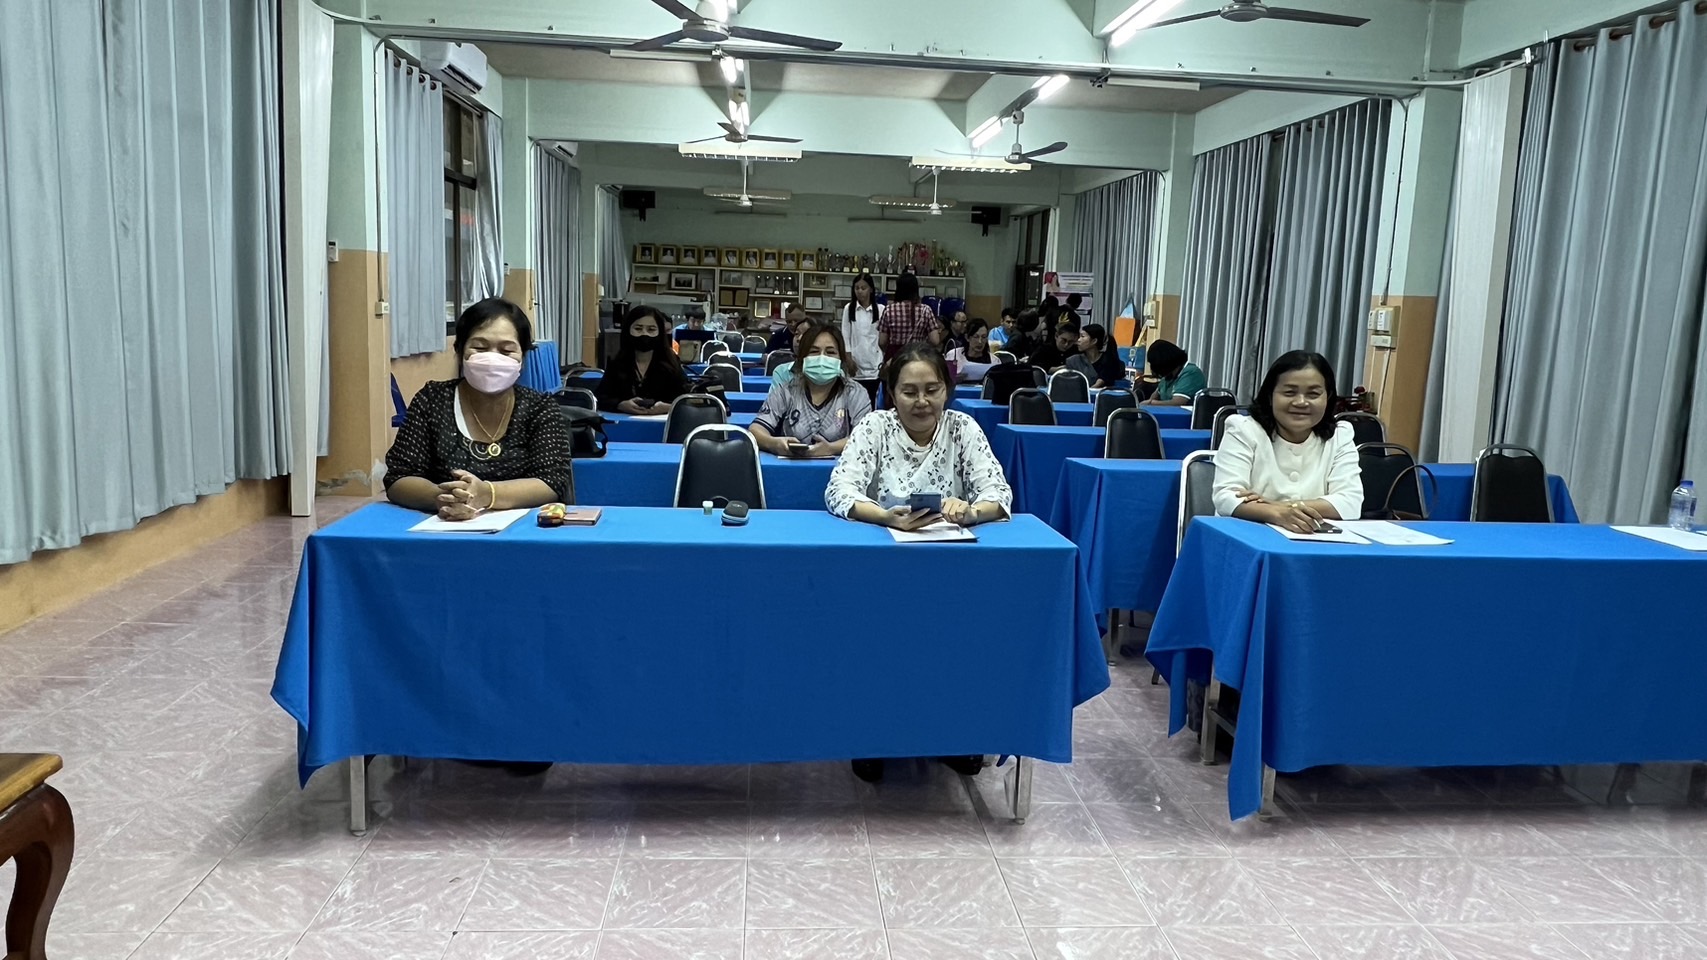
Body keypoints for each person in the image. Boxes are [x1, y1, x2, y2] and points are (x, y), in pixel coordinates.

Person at [826, 342, 1011, 784]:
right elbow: (839, 491)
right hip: (883, 568)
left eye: (932, 390)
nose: (922, 401)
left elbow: (998, 493)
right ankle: (873, 737)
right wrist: (885, 516)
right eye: (909, 392)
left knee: (957, 647)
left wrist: (971, 511)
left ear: (947, 390)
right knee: (880, 647)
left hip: (952, 569)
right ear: (891, 393)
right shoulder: (874, 427)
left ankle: (953, 735)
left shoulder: (963, 428)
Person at [385, 297, 574, 518]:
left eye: (506, 351)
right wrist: (443, 497)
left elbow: (553, 480)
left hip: (524, 530)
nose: (492, 358)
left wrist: (486, 493)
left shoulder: (539, 407)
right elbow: (399, 477)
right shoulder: (432, 400)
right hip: (444, 527)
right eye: (480, 347)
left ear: (522, 357)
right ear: (459, 351)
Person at [1213, 350, 1362, 534]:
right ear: (1270, 396)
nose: (1301, 402)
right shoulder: (1243, 430)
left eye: (1313, 394)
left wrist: (1276, 506)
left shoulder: (1340, 435)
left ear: (1328, 397)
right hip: (1247, 535)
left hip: (1315, 539)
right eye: (1289, 392)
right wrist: (1276, 514)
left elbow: (1350, 503)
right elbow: (1226, 497)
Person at [750, 323, 873, 457]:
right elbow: (756, 430)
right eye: (814, 352)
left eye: (830, 352)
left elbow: (865, 436)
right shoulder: (786, 391)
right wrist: (774, 443)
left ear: (841, 359)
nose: (822, 358)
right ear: (802, 358)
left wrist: (831, 449)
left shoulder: (855, 392)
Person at [595, 305, 692, 414]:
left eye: (651, 329)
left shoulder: (672, 362)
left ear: (660, 332)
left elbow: (686, 398)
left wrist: (669, 407)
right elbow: (600, 397)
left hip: (663, 422)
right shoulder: (616, 363)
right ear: (628, 330)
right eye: (638, 329)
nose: (644, 334)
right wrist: (620, 405)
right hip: (624, 422)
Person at [877, 271, 937, 364]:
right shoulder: (926, 310)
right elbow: (935, 340)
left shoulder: (889, 310)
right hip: (918, 356)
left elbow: (882, 341)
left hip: (895, 357)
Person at [840, 272, 884, 381]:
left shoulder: (881, 309)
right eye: (857, 288)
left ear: (871, 289)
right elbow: (845, 336)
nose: (859, 291)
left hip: (875, 365)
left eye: (863, 288)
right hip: (855, 365)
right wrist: (848, 359)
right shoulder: (849, 308)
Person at [1143, 339, 1207, 407]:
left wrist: (1152, 403)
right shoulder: (1169, 376)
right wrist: (1149, 402)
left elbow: (1177, 402)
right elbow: (1155, 396)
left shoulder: (1191, 373)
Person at [1066, 323, 1126, 389]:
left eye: (1082, 336)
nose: (1078, 340)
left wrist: (1090, 390)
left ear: (1094, 341)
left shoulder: (1109, 360)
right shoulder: (1073, 361)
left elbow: (1101, 381)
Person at [948, 317, 996, 383]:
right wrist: (953, 379)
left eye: (983, 337)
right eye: (976, 337)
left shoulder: (994, 361)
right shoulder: (954, 355)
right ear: (967, 337)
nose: (980, 341)